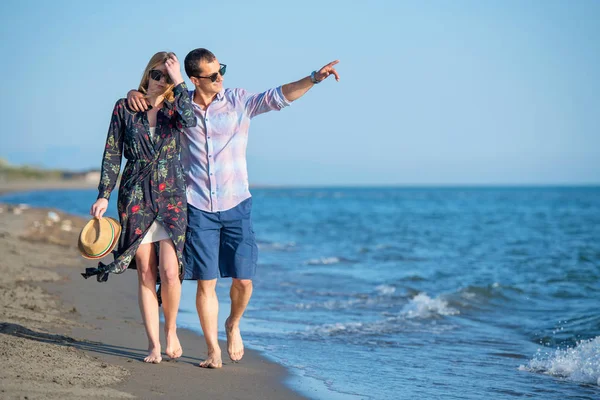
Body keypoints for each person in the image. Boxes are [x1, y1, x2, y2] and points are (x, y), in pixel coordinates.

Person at [127, 48, 339, 368]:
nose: (220, 78)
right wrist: (134, 93)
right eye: (213, 75)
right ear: (195, 79)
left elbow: (279, 96)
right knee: (206, 282)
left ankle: (233, 323)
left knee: (243, 280)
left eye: (221, 70)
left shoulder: (238, 100)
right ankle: (213, 349)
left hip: (236, 203)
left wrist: (313, 79)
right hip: (197, 207)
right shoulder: (178, 107)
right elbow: (151, 97)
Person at [82, 52, 196, 364]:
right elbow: (112, 152)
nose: (161, 81)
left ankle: (171, 330)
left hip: (171, 194)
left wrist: (180, 83)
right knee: (145, 270)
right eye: (156, 74)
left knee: (171, 272)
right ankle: (153, 344)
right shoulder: (124, 106)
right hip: (135, 195)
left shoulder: (176, 106)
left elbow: (191, 121)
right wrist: (104, 193)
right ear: (147, 75)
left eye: (167, 76)